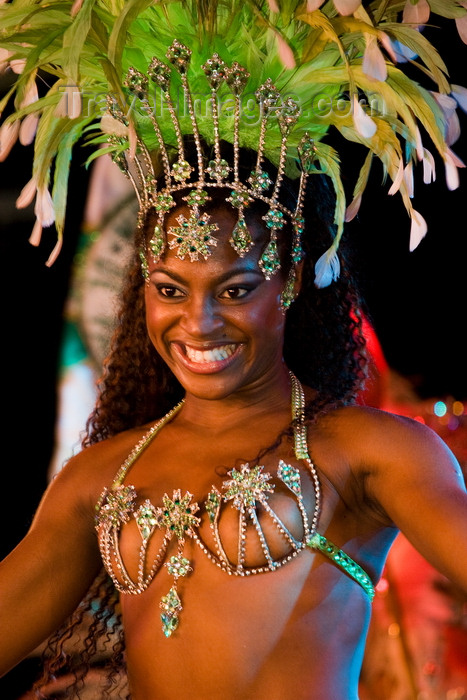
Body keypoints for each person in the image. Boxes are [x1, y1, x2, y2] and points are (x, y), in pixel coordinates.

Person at [1, 1, 467, 698]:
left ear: (290, 282)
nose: (198, 321)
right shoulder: (99, 477)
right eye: (169, 288)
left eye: (235, 287)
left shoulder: (365, 452)